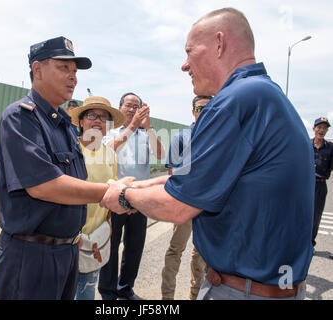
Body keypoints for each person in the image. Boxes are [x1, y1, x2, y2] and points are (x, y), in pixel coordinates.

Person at [100, 8, 314, 300]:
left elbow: (177, 205)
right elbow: (186, 179)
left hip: (244, 292)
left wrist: (124, 196)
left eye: (189, 51)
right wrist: (134, 185)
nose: (184, 66)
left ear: (219, 43)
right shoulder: (262, 95)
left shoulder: (235, 101)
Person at [0, 36, 118, 300]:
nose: (73, 77)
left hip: (68, 253)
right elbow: (43, 185)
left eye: (74, 72)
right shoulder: (20, 117)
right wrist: (113, 192)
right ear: (37, 70)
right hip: (31, 257)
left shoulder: (62, 125)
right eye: (64, 68)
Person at [98, 92, 165, 300]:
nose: (133, 109)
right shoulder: (110, 133)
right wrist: (132, 126)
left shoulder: (147, 135)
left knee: (134, 247)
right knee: (111, 246)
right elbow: (108, 152)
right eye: (129, 105)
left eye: (137, 106)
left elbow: (161, 155)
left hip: (140, 199)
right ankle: (108, 292)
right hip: (115, 198)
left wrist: (148, 126)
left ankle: (125, 288)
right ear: (120, 108)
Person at [69, 96, 125, 300]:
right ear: (81, 121)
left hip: (93, 239)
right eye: (92, 115)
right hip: (65, 237)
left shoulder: (110, 154)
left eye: (103, 117)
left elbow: (112, 192)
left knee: (85, 291)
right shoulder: (70, 149)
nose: (98, 120)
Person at [161, 95, 211, 300]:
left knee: (201, 256)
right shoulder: (181, 138)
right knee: (175, 251)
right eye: (200, 109)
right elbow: (172, 175)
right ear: (193, 111)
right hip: (184, 204)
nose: (204, 113)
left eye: (209, 109)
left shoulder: (218, 138)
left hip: (208, 206)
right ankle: (167, 299)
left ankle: (195, 296)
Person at [311, 117, 333, 251]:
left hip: (320, 185)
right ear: (314, 129)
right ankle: (298, 243)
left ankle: (310, 243)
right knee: (301, 213)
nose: (322, 130)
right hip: (305, 185)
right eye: (319, 127)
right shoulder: (305, 144)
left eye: (324, 128)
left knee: (316, 216)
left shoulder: (330, 148)